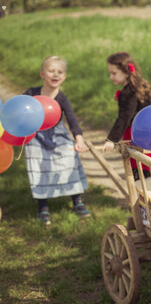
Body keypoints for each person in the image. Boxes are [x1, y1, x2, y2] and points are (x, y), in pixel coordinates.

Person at [24, 55, 91, 226]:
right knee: (37, 163)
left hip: (57, 134)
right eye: (51, 70)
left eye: (59, 72)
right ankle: (43, 205)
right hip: (36, 135)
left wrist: (79, 140)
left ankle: (77, 200)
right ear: (42, 74)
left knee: (69, 159)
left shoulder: (61, 98)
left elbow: (72, 120)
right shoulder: (31, 93)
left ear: (64, 77)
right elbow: (20, 111)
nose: (55, 74)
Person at [101, 52, 151, 179]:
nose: (111, 77)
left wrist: (111, 140)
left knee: (140, 166)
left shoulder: (128, 92)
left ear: (125, 71)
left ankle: (142, 193)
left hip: (136, 134)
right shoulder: (141, 85)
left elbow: (124, 117)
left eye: (114, 73)